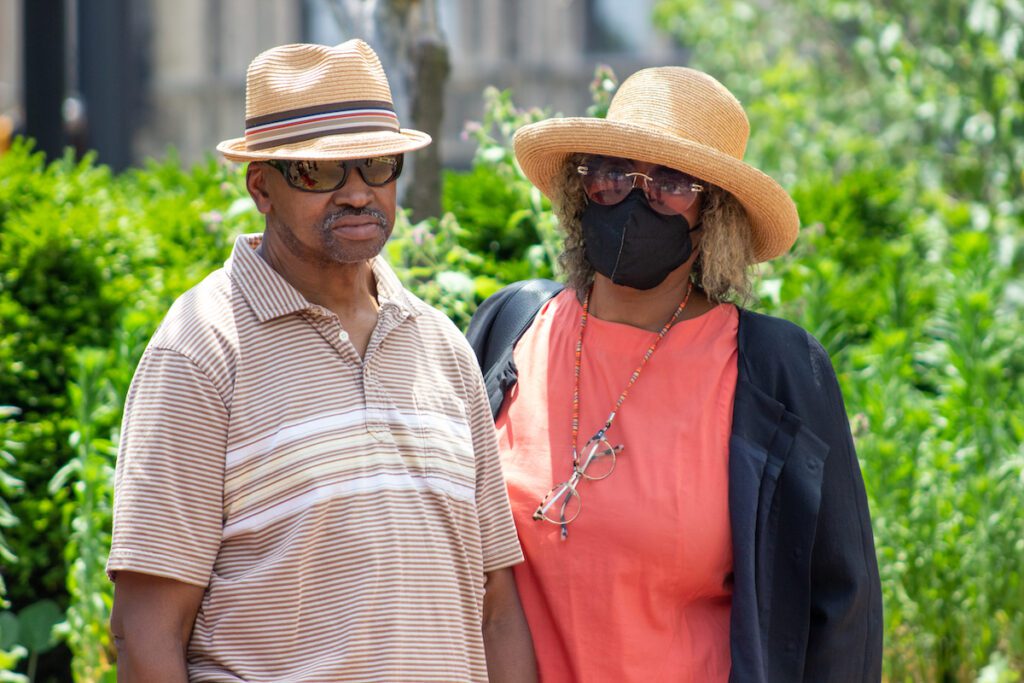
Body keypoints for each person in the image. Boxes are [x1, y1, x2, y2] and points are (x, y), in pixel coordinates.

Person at [107, 40, 536, 682]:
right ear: (262, 188)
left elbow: (496, 608)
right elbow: (145, 630)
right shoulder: (199, 352)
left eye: (377, 165)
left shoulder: (441, 347)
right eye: (319, 171)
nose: (359, 193)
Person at [466, 67, 882, 681]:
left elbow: (841, 612)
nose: (635, 197)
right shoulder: (514, 327)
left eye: (671, 182)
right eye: (611, 174)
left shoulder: (774, 372)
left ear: (715, 216)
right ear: (582, 191)